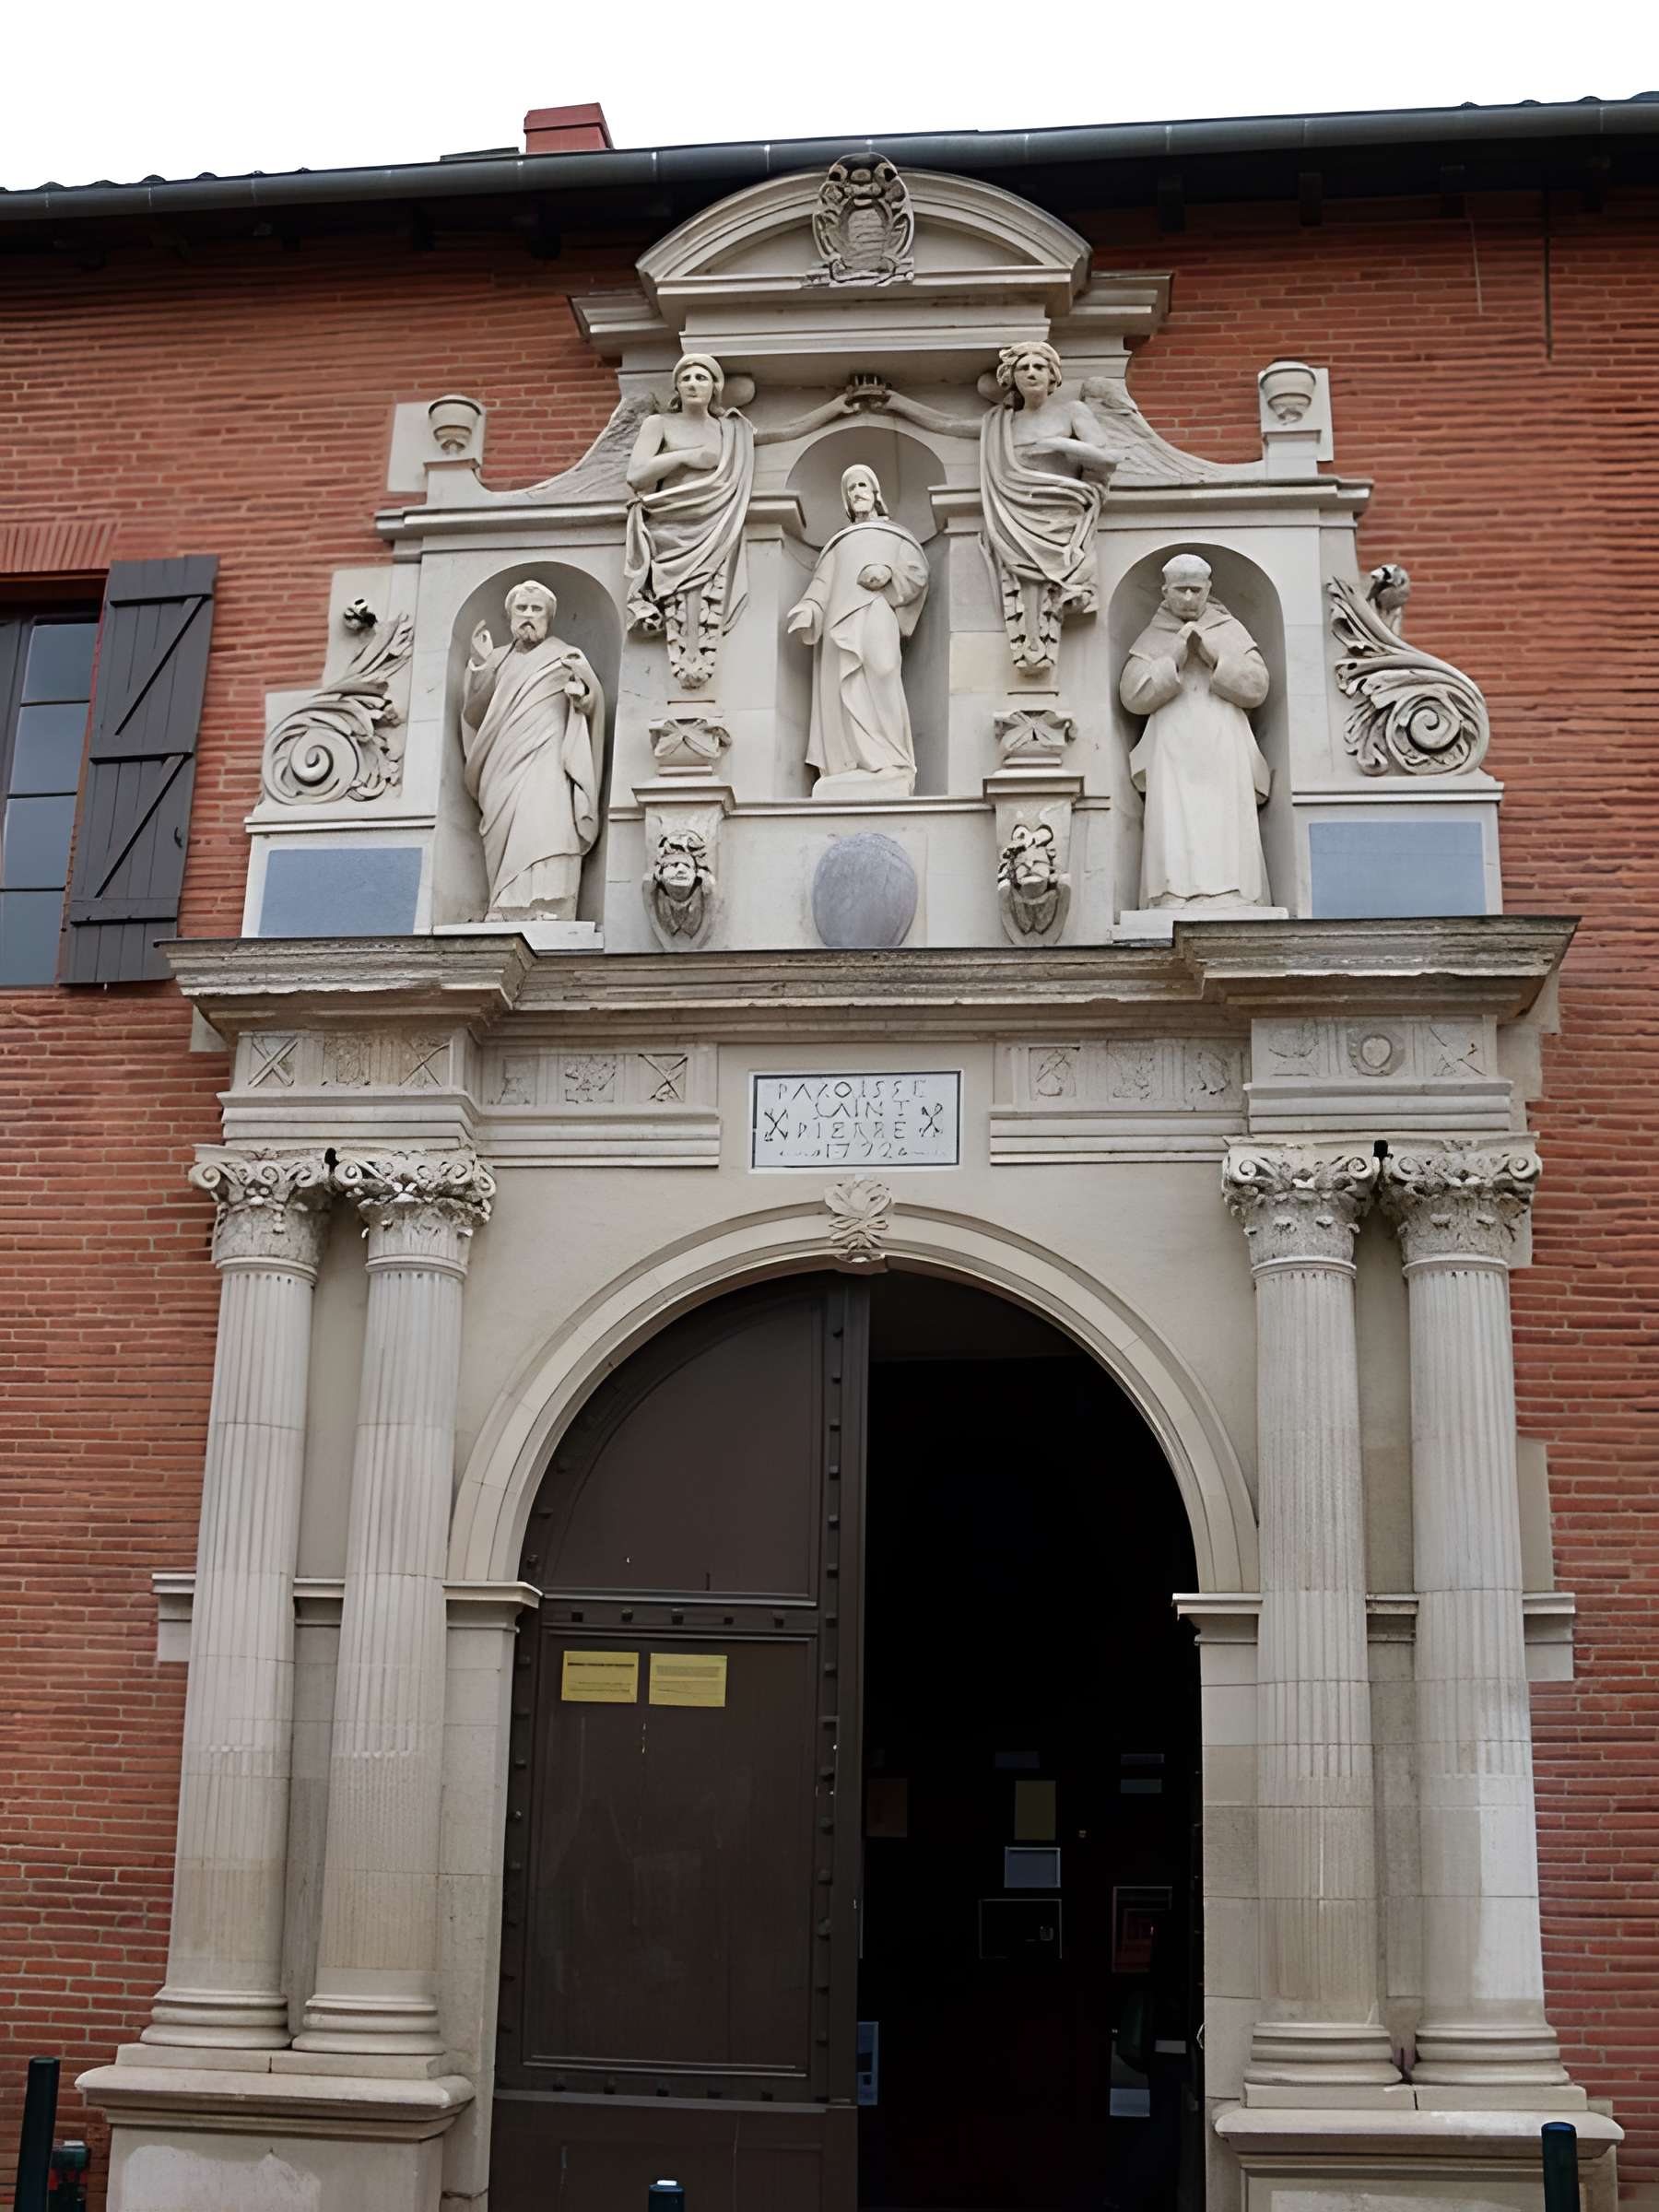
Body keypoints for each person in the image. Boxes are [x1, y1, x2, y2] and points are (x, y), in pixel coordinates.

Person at [624, 354, 861, 689]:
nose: (693, 384)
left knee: (703, 591)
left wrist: (833, 409)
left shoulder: (731, 428)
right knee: (679, 592)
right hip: (671, 522)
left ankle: (695, 653)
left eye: (701, 378)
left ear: (715, 388)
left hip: (717, 521)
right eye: (686, 378)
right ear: (677, 386)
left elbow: (781, 433)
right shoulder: (659, 424)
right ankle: (687, 652)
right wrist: (686, 457)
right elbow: (636, 475)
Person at [877, 341, 1115, 671]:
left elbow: (1108, 457)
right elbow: (951, 426)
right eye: (1023, 368)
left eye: (1039, 367)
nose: (1031, 373)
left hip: (1059, 515)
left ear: (1052, 376)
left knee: (1047, 582)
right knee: (1024, 580)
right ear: (1012, 379)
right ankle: (1032, 645)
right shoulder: (1000, 422)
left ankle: (1041, 642)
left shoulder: (1072, 412)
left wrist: (1057, 444)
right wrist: (899, 404)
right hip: (1012, 513)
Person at [1120, 553, 1273, 911]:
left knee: (1226, 813)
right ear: (1164, 591)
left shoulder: (1228, 629)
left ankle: (1234, 893)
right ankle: (1173, 893)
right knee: (1173, 816)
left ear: (1208, 590)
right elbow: (1132, 696)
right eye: (1180, 591)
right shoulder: (1154, 635)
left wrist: (1215, 655)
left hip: (1224, 737)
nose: (1188, 599)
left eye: (1195, 590)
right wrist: (1171, 657)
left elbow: (1257, 687)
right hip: (1171, 743)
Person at [461, 581, 602, 921]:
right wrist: (480, 667)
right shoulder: (494, 660)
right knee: (502, 824)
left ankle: (548, 904)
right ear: (509, 615)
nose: (528, 616)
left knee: (548, 823)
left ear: (549, 617)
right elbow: (474, 713)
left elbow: (592, 699)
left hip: (547, 756)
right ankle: (503, 904)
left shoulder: (565, 655)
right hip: (499, 760)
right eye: (522, 609)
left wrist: (581, 693)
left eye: (536, 609)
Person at [786, 465, 930, 797]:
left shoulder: (895, 536)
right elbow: (821, 584)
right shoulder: (840, 543)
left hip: (877, 611)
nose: (857, 493)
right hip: (839, 623)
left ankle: (893, 761)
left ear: (876, 492)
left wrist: (889, 574)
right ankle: (851, 763)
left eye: (863, 485)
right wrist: (809, 609)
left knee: (883, 670)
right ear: (847, 502)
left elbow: (917, 573)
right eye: (851, 490)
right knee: (843, 686)